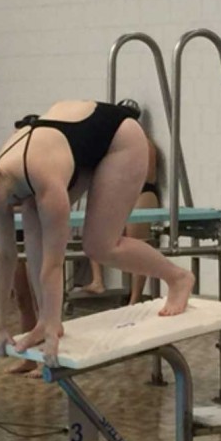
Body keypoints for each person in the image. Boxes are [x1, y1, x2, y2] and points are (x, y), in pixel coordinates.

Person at [0, 99, 195, 365]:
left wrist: (55, 325)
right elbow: (5, 255)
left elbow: (54, 263)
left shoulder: (42, 179)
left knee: (99, 245)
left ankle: (178, 278)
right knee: (31, 218)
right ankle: (45, 321)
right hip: (73, 145)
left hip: (118, 138)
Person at [81, 99, 162, 305]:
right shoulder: (113, 143)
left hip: (142, 192)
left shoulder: (145, 143)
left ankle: (135, 299)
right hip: (122, 192)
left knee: (138, 245)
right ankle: (98, 280)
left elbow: (146, 175)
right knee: (93, 235)